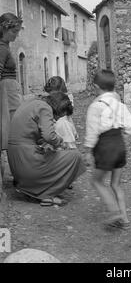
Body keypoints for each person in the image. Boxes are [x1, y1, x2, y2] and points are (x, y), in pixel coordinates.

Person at [7, 91, 86, 206]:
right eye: (60, 115)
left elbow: (30, 134)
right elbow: (49, 136)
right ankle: (47, 194)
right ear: (58, 108)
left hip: (17, 163)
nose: (57, 119)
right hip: (26, 162)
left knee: (52, 153)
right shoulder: (45, 108)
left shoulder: (32, 102)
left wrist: (46, 145)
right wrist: (61, 143)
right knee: (75, 156)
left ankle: (32, 187)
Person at [84, 70, 131, 228]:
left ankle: (114, 211)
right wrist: (122, 138)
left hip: (105, 148)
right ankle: (125, 219)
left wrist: (87, 152)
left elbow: (92, 133)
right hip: (120, 145)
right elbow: (130, 128)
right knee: (115, 184)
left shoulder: (95, 107)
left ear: (96, 87)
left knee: (96, 181)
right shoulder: (121, 105)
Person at [0, 13, 23, 182]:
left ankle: (19, 172)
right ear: (5, 29)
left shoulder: (5, 46)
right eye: (14, 31)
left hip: (10, 92)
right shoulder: (1, 48)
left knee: (14, 133)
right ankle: (19, 173)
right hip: (7, 93)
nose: (17, 35)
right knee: (14, 133)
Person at [44, 76, 78, 149]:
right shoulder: (49, 99)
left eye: (54, 93)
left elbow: (68, 115)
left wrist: (73, 130)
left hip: (62, 122)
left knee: (68, 141)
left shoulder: (67, 98)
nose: (52, 96)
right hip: (55, 123)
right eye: (50, 93)